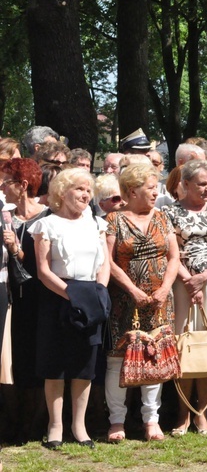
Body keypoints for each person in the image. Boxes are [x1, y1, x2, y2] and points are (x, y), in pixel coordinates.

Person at [30, 168, 110, 449]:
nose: (85, 194)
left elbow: (104, 264)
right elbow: (42, 270)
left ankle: (79, 426)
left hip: (91, 295)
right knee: (55, 365)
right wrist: (72, 295)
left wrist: (98, 292)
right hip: (58, 297)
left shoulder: (97, 224)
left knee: (84, 366)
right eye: (79, 188)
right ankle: (55, 426)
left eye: (88, 190)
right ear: (63, 192)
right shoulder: (47, 225)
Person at [104, 164, 180, 442]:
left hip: (160, 299)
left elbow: (173, 257)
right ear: (132, 190)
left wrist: (165, 289)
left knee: (154, 355)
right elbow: (108, 261)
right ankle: (116, 421)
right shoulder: (114, 220)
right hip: (124, 299)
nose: (155, 192)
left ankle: (152, 420)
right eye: (150, 187)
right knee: (118, 359)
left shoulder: (161, 217)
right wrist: (132, 290)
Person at [162, 160, 207, 436]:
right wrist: (190, 281)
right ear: (186, 184)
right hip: (181, 284)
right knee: (184, 345)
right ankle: (183, 415)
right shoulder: (169, 212)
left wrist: (204, 278)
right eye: (202, 183)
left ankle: (202, 414)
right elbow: (171, 252)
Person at [0, 159, 46, 443]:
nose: (1, 187)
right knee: (14, 362)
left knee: (36, 359)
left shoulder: (47, 217)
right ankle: (13, 425)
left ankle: (35, 425)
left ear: (23, 185)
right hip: (11, 299)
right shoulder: (5, 216)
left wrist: (16, 248)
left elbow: (43, 264)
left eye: (5, 181)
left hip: (40, 299)